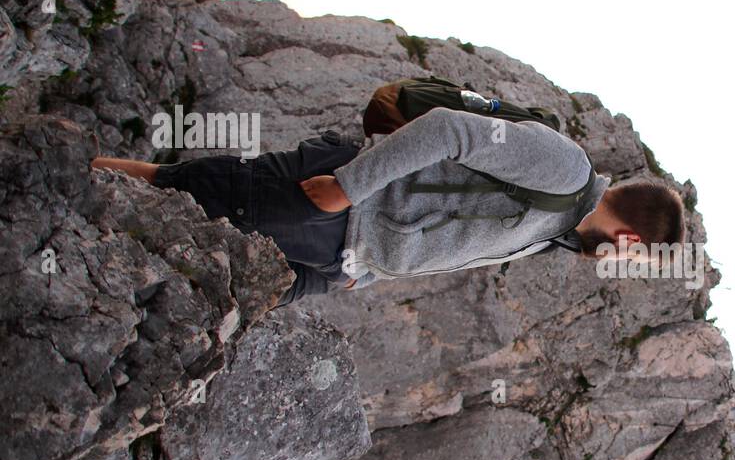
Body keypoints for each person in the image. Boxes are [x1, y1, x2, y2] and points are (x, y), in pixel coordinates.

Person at [90, 105, 685, 306]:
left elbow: (438, 242)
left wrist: (358, 277)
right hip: (327, 206)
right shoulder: (564, 168)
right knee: (170, 194)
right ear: (631, 241)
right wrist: (349, 183)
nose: (622, 267)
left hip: (338, 262)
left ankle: (77, 236)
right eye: (634, 262)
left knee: (184, 268)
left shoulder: (556, 231)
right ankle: (66, 178)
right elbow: (453, 129)